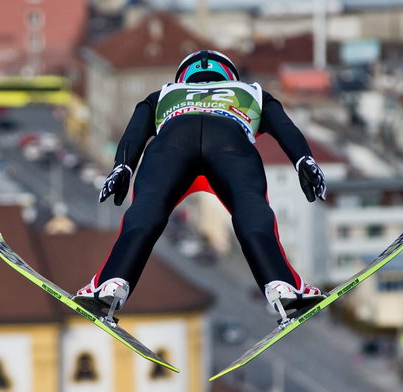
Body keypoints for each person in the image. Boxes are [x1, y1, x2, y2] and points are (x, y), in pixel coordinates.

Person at [75, 49, 328, 322]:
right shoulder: (251, 91)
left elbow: (135, 130)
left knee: (147, 208)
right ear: (229, 74)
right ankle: (282, 287)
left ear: (183, 76)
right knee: (249, 205)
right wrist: (304, 160)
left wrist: (122, 166)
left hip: (171, 143)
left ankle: (111, 285)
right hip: (229, 141)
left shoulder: (164, 94)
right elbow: (285, 128)